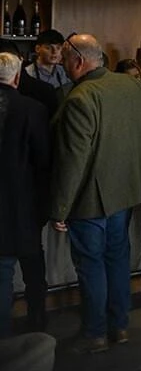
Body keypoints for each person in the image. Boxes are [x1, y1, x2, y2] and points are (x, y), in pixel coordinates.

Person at [49, 34, 141, 353]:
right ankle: (119, 327)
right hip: (124, 192)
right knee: (117, 261)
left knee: (91, 265)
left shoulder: (80, 97)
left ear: (78, 61)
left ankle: (94, 333)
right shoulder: (130, 86)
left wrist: (60, 209)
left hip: (90, 200)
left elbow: (73, 161)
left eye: (65, 59)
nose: (62, 65)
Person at [0, 52, 50, 336]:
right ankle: (37, 323)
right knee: (33, 269)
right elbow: (43, 161)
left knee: (1, 273)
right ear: (18, 77)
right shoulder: (33, 109)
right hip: (26, 205)